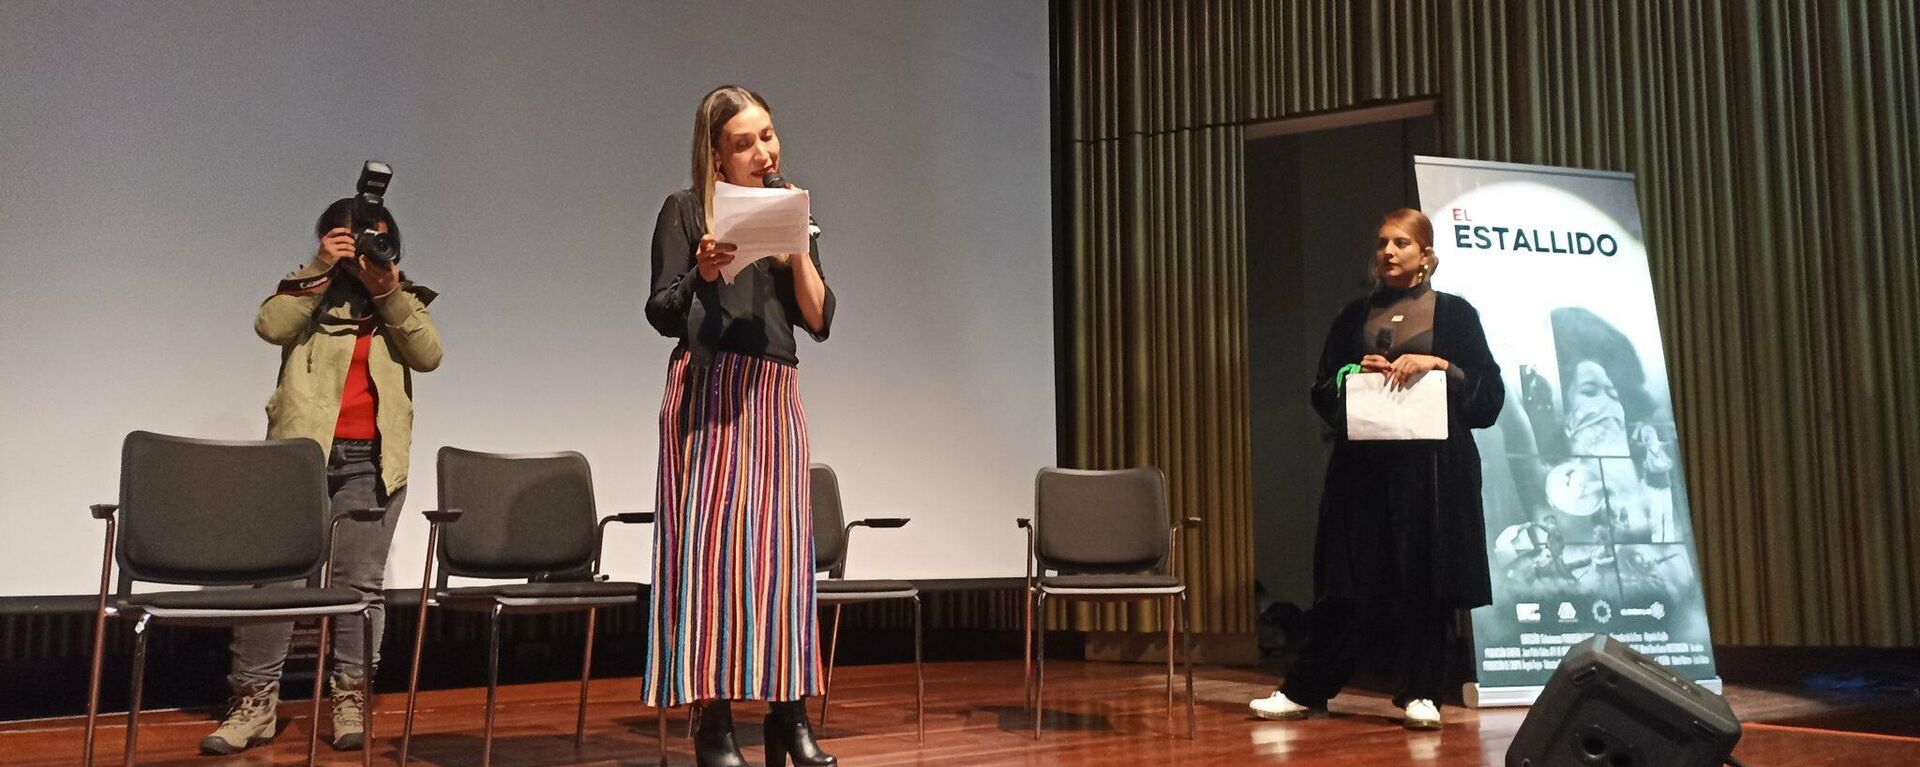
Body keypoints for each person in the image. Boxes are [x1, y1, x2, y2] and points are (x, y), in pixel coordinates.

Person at [202, 198, 443, 754]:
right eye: (352, 238)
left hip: (373, 461)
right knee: (278, 584)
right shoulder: (305, 291)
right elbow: (270, 325)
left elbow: (429, 356)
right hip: (299, 461)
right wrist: (317, 268)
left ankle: (349, 697)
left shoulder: (404, 301)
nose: (364, 249)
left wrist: (388, 292)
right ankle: (254, 705)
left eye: (376, 239)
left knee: (361, 586)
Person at [641, 85, 837, 767]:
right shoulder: (686, 208)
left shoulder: (792, 212)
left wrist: (796, 252)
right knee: (712, 558)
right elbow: (662, 308)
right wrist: (701, 271)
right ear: (718, 156)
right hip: (709, 389)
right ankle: (713, 724)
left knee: (783, 555)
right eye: (746, 142)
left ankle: (790, 719)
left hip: (774, 392)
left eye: (769, 136)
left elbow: (820, 319)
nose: (764, 151)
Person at [1249, 208, 1503, 730]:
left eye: (1402, 243)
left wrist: (1438, 365)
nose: (1388, 251)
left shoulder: (1455, 314)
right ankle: (1307, 689)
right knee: (1345, 583)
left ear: (1425, 256)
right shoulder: (1351, 316)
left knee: (1424, 581)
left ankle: (1422, 692)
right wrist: (1353, 372)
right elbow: (1323, 389)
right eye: (1383, 242)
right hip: (1361, 470)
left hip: (1433, 472)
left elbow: (1488, 396)